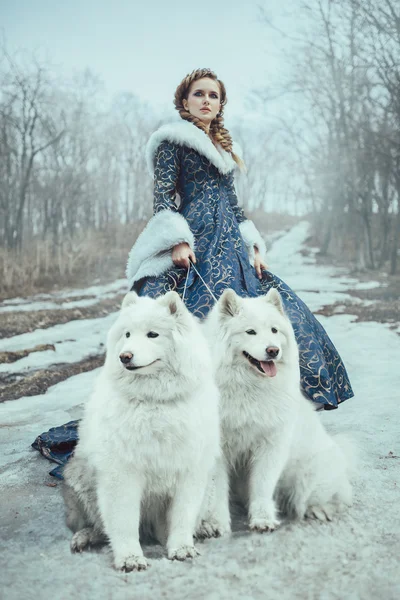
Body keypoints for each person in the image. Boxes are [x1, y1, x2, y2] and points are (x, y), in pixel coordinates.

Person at [32, 68, 354, 477]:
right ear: (184, 102)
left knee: (259, 328)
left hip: (232, 247)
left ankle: (249, 434)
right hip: (196, 241)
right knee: (198, 331)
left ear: (220, 104)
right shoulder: (172, 142)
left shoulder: (223, 146)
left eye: (213, 96)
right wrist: (177, 240)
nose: (206, 100)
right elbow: (163, 197)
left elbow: (233, 204)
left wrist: (253, 245)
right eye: (198, 94)